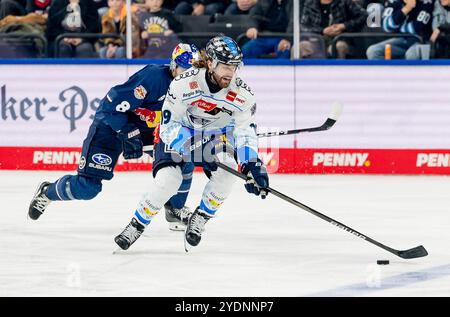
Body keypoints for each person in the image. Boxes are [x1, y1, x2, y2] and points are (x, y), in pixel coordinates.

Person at [114, 36, 270, 251]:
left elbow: (245, 132)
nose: (230, 72)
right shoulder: (183, 84)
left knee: (229, 171)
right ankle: (137, 224)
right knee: (169, 180)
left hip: (216, 135)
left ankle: (202, 216)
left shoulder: (243, 94)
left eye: (234, 66)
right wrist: (191, 147)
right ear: (210, 63)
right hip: (180, 133)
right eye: (225, 65)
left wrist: (252, 163)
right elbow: (169, 127)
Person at [28, 43, 199, 232]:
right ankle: (47, 192)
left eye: (192, 71)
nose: (187, 75)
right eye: (184, 69)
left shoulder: (191, 88)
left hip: (145, 132)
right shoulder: (153, 78)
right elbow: (111, 104)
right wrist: (127, 131)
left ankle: (175, 209)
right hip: (109, 126)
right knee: (87, 188)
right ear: (174, 65)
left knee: (183, 158)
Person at [286, 0, 367, 59]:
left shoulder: (344, 1)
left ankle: (339, 77)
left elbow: (363, 15)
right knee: (298, 48)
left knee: (340, 46)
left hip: (339, 39)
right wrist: (323, 31)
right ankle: (297, 79)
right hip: (315, 41)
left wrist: (344, 26)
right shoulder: (310, 3)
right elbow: (303, 26)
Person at [366, 0, 434, 60]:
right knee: (373, 51)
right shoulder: (394, 1)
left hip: (421, 41)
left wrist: (397, 27)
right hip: (400, 40)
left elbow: (417, 28)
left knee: (411, 54)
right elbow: (386, 26)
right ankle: (386, 74)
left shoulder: (426, 2)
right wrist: (407, 8)